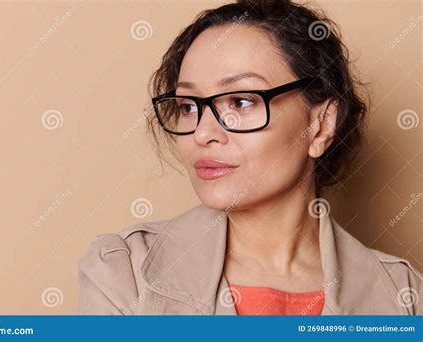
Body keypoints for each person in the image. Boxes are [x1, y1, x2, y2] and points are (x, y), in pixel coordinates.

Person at [77, 0, 422, 315]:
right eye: (187, 106)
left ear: (320, 125)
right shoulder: (124, 271)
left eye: (240, 102)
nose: (202, 133)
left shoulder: (405, 297)